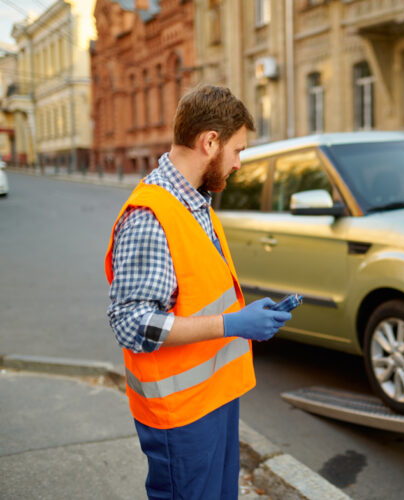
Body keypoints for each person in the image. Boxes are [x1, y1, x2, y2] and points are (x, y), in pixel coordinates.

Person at [105, 85, 291, 499]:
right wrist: (232, 323)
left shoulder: (195, 203)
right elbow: (131, 324)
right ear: (210, 142)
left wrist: (247, 319)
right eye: (237, 151)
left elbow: (200, 291)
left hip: (214, 401)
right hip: (180, 417)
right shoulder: (151, 216)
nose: (239, 163)